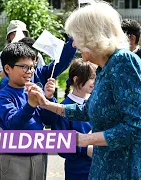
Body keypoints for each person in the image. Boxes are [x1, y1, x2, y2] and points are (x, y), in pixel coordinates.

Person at [30, 1, 141, 179]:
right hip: (101, 166)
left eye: (75, 37)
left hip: (122, 169)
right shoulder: (104, 68)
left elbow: (136, 126)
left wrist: (84, 139)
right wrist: (47, 104)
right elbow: (87, 110)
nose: (73, 45)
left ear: (91, 36)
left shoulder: (123, 62)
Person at [0, 42, 57, 180]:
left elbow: (49, 120)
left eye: (32, 67)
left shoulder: (34, 89)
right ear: (7, 68)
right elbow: (13, 124)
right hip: (14, 159)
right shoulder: (3, 96)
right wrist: (30, 105)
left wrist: (48, 98)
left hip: (38, 156)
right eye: (24, 67)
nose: (30, 71)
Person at [51, 58, 96, 180]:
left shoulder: (96, 103)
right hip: (78, 171)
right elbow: (60, 144)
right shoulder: (63, 109)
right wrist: (85, 150)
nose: (95, 81)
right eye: (91, 77)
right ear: (76, 79)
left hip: (99, 168)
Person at [0, 37, 76, 92]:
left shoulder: (40, 73)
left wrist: (72, 44)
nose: (28, 71)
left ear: (36, 59)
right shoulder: (6, 84)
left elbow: (61, 63)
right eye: (23, 66)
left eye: (32, 60)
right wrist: (31, 105)